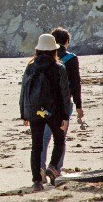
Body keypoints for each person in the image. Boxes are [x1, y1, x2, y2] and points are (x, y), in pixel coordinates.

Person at [20, 33, 70, 191]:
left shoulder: (30, 66)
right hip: (53, 111)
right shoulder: (59, 67)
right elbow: (64, 94)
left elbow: (23, 92)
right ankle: (53, 166)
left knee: (36, 146)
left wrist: (24, 113)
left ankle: (36, 181)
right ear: (54, 50)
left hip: (35, 111)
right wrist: (65, 115)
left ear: (38, 50)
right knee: (59, 140)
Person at [40, 27, 84, 181]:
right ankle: (56, 169)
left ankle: (40, 167)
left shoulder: (42, 59)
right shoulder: (71, 59)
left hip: (43, 105)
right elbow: (76, 84)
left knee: (44, 138)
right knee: (60, 137)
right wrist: (79, 106)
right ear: (67, 42)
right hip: (63, 105)